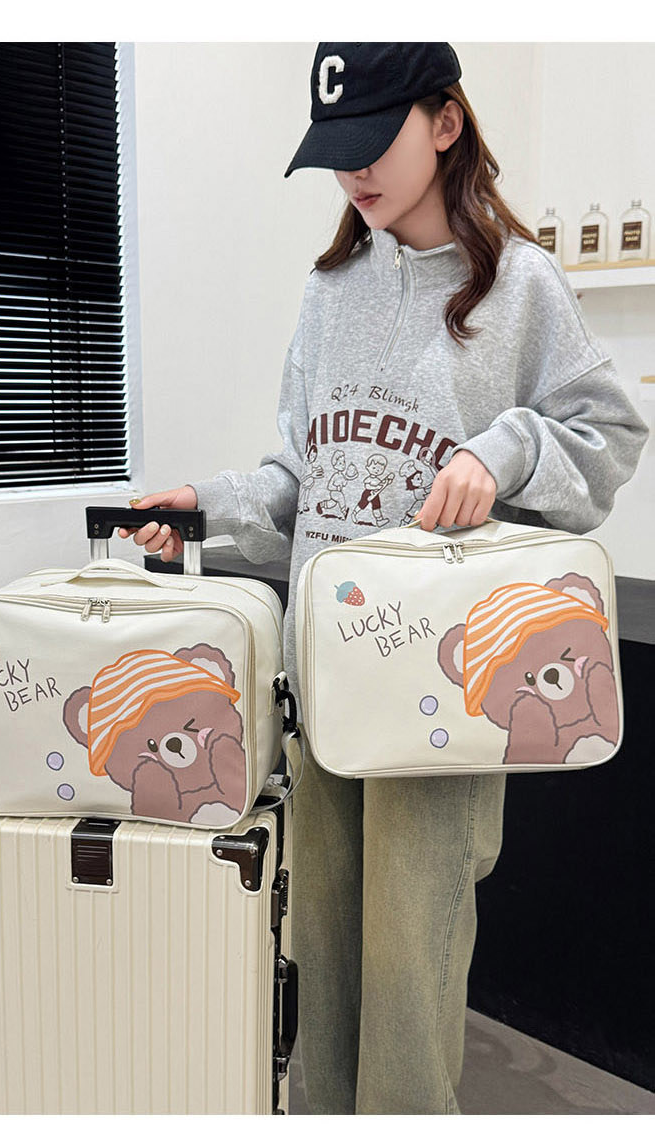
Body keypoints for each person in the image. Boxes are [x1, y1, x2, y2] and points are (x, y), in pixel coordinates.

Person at [117, 43, 650, 1114]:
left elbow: (609, 435)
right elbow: (300, 480)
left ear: (445, 124)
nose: (352, 170)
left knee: (409, 971)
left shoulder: (522, 287)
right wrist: (202, 511)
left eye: (374, 140)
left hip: (440, 692)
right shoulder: (330, 292)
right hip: (323, 684)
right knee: (319, 951)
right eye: (337, 149)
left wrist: (504, 450)